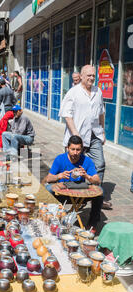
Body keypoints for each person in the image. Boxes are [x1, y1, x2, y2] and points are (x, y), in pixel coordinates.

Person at [59, 64, 112, 209]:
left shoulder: (98, 92)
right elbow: (66, 114)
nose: (91, 78)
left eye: (93, 75)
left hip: (94, 134)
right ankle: (77, 200)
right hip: (78, 137)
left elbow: (101, 112)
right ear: (81, 76)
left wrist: (102, 131)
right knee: (75, 170)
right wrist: (75, 134)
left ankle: (96, 197)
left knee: (100, 164)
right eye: (88, 75)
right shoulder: (73, 92)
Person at [45, 135, 103, 231]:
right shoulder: (60, 159)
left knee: (100, 192)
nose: (75, 153)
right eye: (72, 149)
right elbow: (48, 179)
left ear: (82, 149)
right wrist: (59, 176)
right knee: (48, 189)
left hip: (80, 195)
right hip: (62, 195)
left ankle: (92, 223)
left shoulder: (87, 161)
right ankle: (52, 217)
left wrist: (87, 176)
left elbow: (97, 180)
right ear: (67, 148)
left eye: (78, 150)